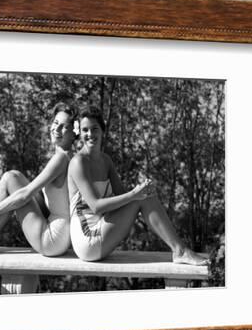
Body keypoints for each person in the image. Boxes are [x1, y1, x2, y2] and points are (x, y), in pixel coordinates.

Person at [68, 107, 209, 265]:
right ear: (79, 133)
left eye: (95, 129)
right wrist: (135, 194)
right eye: (85, 130)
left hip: (101, 229)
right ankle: (180, 251)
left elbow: (123, 196)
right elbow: (95, 207)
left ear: (102, 131)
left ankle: (180, 250)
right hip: (87, 239)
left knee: (145, 195)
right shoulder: (78, 162)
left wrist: (141, 189)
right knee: (141, 197)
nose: (90, 134)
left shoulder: (106, 161)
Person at [0, 103, 77, 260]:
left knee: (8, 179)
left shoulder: (61, 158)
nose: (56, 129)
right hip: (60, 236)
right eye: (55, 123)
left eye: (64, 126)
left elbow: (26, 194)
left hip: (52, 239)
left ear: (74, 134)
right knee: (13, 177)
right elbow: (40, 197)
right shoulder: (67, 157)